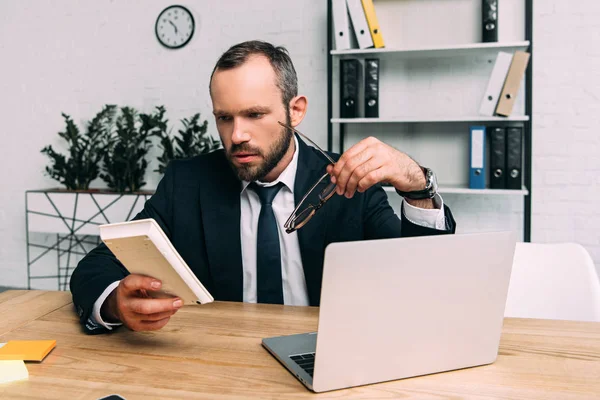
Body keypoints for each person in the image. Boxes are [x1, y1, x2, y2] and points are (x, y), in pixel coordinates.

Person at [70, 40, 456, 334]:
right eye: (225, 118)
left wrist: (418, 187)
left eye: (254, 114)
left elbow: (423, 281)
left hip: (322, 355)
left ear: (296, 110)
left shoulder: (348, 182)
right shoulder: (187, 183)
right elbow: (97, 267)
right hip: (219, 364)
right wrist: (115, 303)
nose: (237, 135)